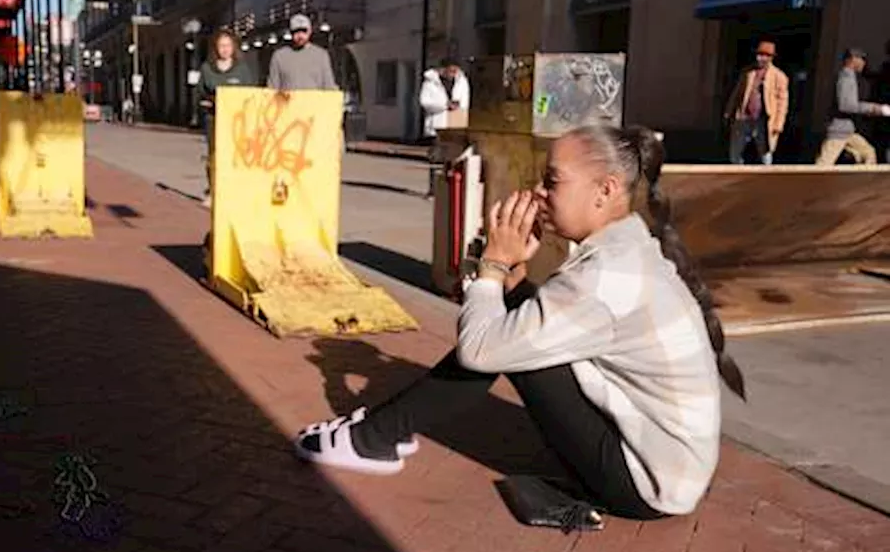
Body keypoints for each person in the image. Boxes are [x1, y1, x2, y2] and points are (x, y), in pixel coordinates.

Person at [295, 125, 746, 523]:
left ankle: (373, 438)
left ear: (605, 191)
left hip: (645, 485)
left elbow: (481, 350)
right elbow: (546, 323)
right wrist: (511, 281)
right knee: (515, 333)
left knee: (507, 344)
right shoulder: (627, 248)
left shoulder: (607, 277)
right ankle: (378, 434)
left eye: (553, 181)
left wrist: (492, 264)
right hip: (672, 468)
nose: (539, 191)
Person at [196, 29, 258, 207]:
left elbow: (250, 94)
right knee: (214, 156)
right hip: (214, 119)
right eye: (221, 46)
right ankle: (213, 191)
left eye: (228, 45)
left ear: (233, 47)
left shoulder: (242, 69)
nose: (225, 49)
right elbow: (200, 93)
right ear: (216, 48)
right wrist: (206, 103)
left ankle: (235, 190)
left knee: (236, 156)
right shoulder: (207, 69)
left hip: (237, 120)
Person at [815, 48, 890, 166]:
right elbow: (846, 105)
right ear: (853, 59)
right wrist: (876, 109)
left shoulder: (850, 76)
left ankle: (861, 183)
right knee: (823, 164)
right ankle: (811, 183)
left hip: (847, 131)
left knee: (869, 154)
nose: (864, 63)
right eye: (862, 59)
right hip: (838, 131)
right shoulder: (846, 77)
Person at [724, 40, 789, 165]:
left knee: (765, 154)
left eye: (765, 55)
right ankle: (738, 176)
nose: (761, 58)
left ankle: (765, 180)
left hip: (764, 121)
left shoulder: (779, 76)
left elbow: (783, 102)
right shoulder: (747, 72)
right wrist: (729, 111)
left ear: (771, 58)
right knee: (735, 153)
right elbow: (736, 93)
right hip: (744, 117)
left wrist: (778, 123)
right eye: (759, 55)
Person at [266, 14, 338, 91]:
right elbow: (272, 89)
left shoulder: (321, 55)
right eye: (296, 31)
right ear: (291, 33)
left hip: (314, 102)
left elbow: (329, 86)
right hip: (288, 102)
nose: (300, 35)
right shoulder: (279, 56)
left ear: (310, 31)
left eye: (304, 31)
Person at [420, 58, 471, 142]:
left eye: (456, 71)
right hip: (437, 123)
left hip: (456, 124)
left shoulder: (462, 82)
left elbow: (466, 100)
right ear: (443, 70)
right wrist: (445, 105)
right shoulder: (430, 82)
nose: (454, 74)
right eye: (451, 71)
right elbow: (424, 102)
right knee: (438, 149)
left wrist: (459, 105)